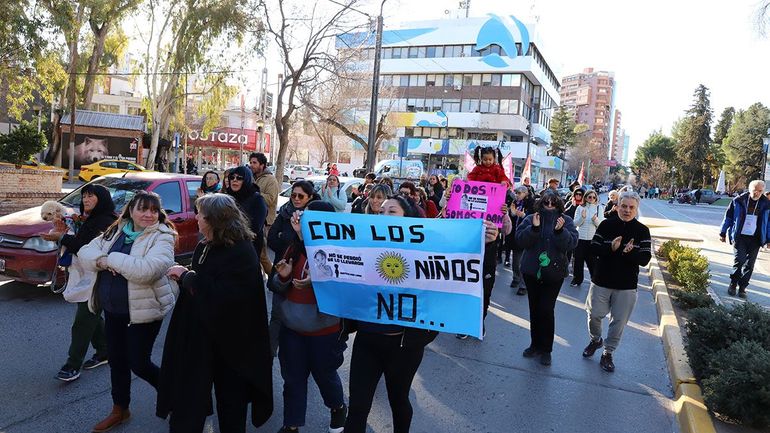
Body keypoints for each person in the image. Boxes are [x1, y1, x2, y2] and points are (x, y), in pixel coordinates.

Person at [159, 194, 273, 432]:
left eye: (200, 213)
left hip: (232, 345)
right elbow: (207, 279)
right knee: (189, 400)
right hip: (201, 338)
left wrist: (187, 277)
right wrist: (188, 276)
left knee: (231, 405)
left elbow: (229, 297)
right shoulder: (205, 244)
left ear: (214, 219)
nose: (196, 217)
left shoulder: (241, 250)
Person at [77, 191, 177, 432]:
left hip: (143, 311)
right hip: (113, 309)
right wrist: (102, 260)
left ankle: (176, 400)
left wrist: (109, 259)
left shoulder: (162, 236)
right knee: (117, 362)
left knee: (139, 364)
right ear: (131, 210)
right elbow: (84, 253)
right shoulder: (117, 230)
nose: (148, 215)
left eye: (153, 210)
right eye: (142, 209)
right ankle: (120, 409)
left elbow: (147, 270)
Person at [344, 195, 438, 433]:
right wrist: (304, 236)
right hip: (367, 340)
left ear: (407, 218)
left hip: (404, 346)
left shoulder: (423, 249)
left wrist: (487, 241)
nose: (384, 215)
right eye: (382, 211)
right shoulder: (366, 245)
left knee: (398, 401)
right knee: (357, 407)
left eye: (392, 211)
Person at [270, 201, 347, 433]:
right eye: (306, 219)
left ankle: (337, 407)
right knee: (293, 379)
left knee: (324, 375)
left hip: (324, 331)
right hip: (291, 328)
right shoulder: (292, 248)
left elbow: (345, 294)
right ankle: (291, 424)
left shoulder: (339, 252)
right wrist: (283, 277)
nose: (307, 225)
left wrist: (318, 281)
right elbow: (276, 285)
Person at [43, 184, 116, 382]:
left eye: (91, 196)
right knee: (90, 317)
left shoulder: (106, 222)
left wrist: (62, 238)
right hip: (87, 277)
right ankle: (104, 351)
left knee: (82, 322)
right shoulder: (91, 220)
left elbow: (85, 249)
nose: (86, 200)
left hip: (99, 279)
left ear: (101, 199)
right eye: (84, 196)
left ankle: (72, 365)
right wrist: (63, 235)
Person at [582, 191, 651, 372]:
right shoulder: (606, 225)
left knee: (618, 323)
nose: (627, 210)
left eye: (631, 207)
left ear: (636, 209)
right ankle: (596, 340)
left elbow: (645, 259)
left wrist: (631, 253)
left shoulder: (642, 230)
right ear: (617, 206)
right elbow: (594, 249)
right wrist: (610, 247)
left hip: (626, 285)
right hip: (601, 280)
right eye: (624, 206)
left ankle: (608, 353)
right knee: (594, 314)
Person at [515, 191, 578, 366]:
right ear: (541, 204)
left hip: (554, 273)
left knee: (546, 310)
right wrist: (534, 229)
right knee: (534, 310)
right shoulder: (530, 218)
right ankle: (535, 345)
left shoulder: (566, 221)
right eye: (546, 203)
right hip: (531, 272)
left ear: (558, 205)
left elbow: (571, 243)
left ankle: (546, 349)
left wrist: (560, 232)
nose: (549, 207)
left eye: (553, 203)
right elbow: (520, 241)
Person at [719, 180, 770, 298]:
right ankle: (733, 284)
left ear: (763, 191)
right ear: (749, 189)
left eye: (760, 191)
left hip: (756, 238)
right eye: (754, 190)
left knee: (750, 265)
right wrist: (722, 232)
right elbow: (728, 217)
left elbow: (768, 224)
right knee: (739, 260)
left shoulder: (766, 204)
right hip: (740, 236)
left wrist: (768, 239)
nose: (756, 193)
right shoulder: (738, 201)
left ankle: (742, 287)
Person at [249, 152, 281, 275]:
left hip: (264, 222)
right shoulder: (252, 177)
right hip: (252, 221)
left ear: (262, 165)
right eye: (251, 162)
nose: (251, 165)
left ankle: (274, 279)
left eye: (254, 163)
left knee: (262, 256)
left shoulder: (271, 180)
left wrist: (253, 194)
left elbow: (270, 199)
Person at [226, 166, 268, 257]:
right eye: (232, 177)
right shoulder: (227, 197)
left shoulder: (257, 199)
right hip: (227, 245)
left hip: (248, 247)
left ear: (246, 180)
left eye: (239, 178)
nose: (234, 180)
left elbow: (255, 227)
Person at [571, 189, 603, 287]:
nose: (592, 199)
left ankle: (595, 280)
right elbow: (575, 223)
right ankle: (577, 280)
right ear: (586, 198)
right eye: (590, 197)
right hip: (580, 238)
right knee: (578, 261)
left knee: (592, 261)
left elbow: (601, 225)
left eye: (594, 197)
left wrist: (595, 220)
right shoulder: (580, 208)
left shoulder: (599, 208)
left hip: (592, 239)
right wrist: (582, 218)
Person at [508, 186, 535, 295]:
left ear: (525, 193)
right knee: (515, 261)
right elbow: (511, 217)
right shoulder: (515, 202)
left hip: (526, 235)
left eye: (519, 193)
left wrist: (524, 215)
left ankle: (524, 285)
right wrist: (512, 213)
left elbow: (534, 217)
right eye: (516, 192)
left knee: (523, 263)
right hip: (515, 235)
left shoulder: (532, 203)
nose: (517, 194)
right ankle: (516, 278)